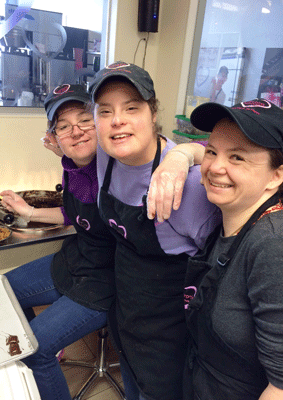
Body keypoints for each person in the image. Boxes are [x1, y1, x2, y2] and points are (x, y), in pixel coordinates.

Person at [89, 61, 222, 400]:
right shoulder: (108, 157)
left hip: (168, 343)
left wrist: (183, 155)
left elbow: (221, 276)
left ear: (153, 113)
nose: (117, 120)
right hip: (126, 318)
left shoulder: (188, 187)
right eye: (105, 112)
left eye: (131, 108)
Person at [0, 84, 116, 400]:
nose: (76, 131)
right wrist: (27, 211)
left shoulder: (122, 164)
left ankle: (42, 355)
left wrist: (186, 154)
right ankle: (48, 357)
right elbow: (74, 213)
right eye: (64, 126)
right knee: (5, 290)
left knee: (34, 347)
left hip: (107, 282)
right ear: (54, 136)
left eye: (84, 120)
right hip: (77, 259)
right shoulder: (73, 165)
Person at [183, 98, 283, 400]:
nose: (215, 167)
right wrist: (180, 157)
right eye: (212, 152)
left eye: (237, 157)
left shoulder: (272, 246)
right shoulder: (226, 217)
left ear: (276, 176)